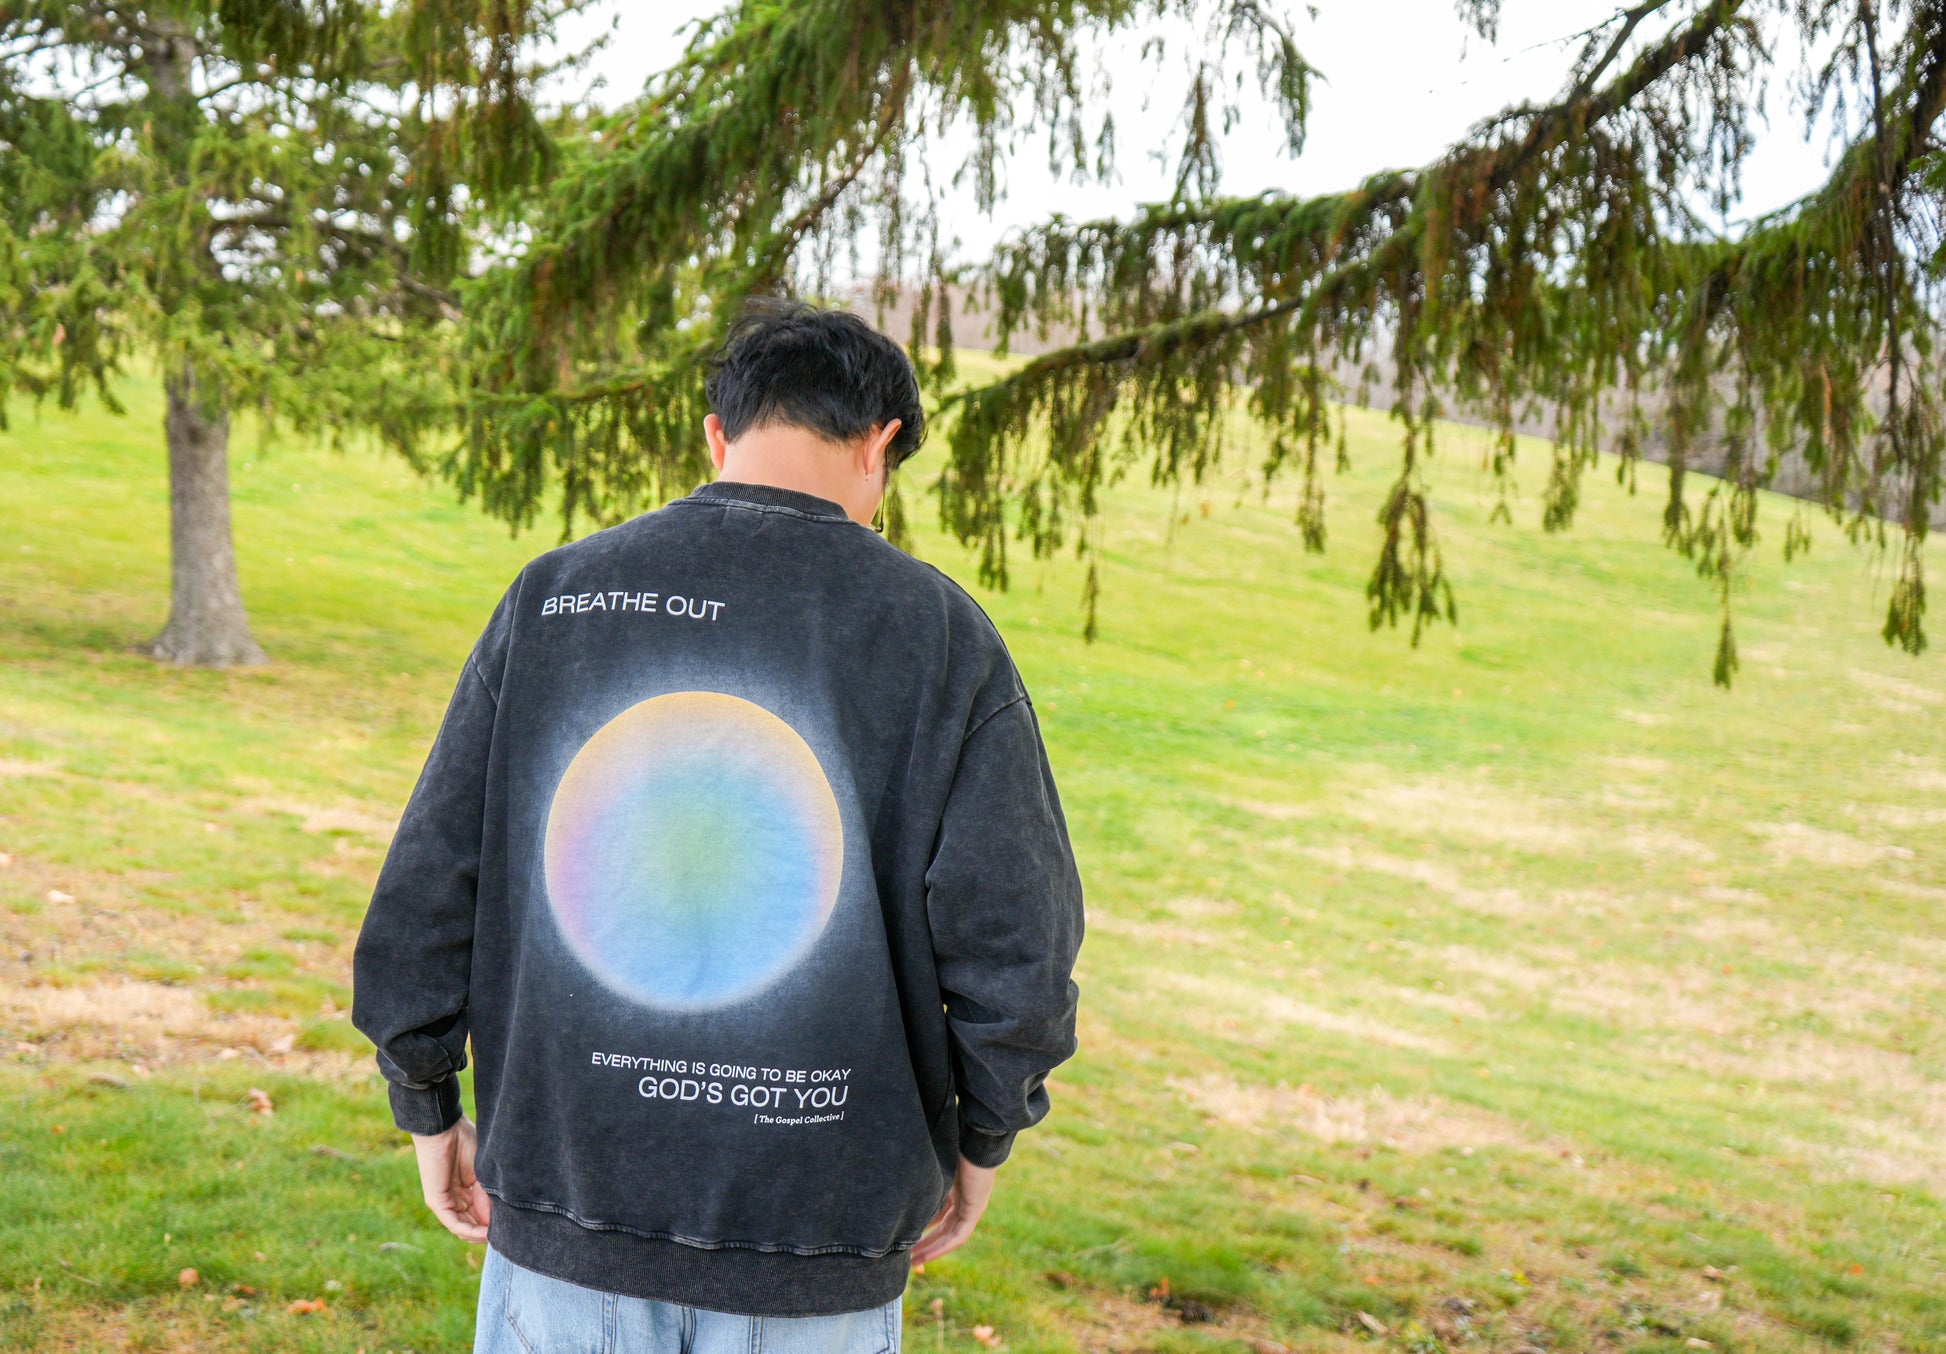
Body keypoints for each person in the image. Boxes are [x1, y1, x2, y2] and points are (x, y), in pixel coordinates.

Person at [352, 299, 1085, 1353]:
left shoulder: (555, 598)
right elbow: (1015, 941)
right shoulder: (939, 637)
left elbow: (428, 887)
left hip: (568, 1208)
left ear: (717, 433)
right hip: (817, 1235)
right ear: (879, 444)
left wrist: (425, 1101)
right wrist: (983, 1138)